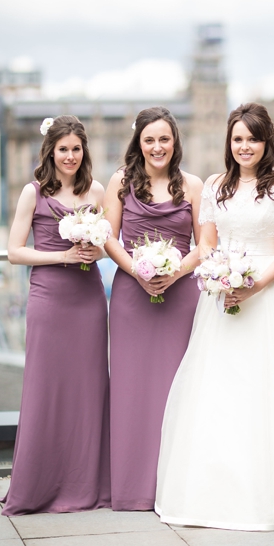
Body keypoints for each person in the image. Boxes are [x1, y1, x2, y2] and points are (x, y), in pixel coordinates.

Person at [155, 103, 274, 530]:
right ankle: (214, 491)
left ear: (266, 142)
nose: (244, 146)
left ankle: (271, 493)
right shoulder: (215, 186)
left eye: (252, 138)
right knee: (220, 390)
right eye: (238, 139)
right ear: (228, 143)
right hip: (223, 297)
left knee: (267, 390)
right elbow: (207, 243)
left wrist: (255, 284)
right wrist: (220, 277)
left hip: (270, 298)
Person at [1, 115, 110, 515]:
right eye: (63, 149)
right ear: (50, 151)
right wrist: (61, 256)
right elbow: (14, 251)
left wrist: (93, 249)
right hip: (49, 299)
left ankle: (87, 482)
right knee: (46, 389)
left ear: (84, 152)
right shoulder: (33, 193)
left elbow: (106, 245)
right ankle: (38, 485)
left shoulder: (97, 191)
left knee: (89, 387)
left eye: (76, 149)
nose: (70, 156)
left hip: (89, 298)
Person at [105, 106, 202, 511]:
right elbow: (108, 238)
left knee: (178, 389)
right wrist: (137, 271)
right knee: (132, 390)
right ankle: (131, 488)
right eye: (149, 140)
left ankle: (176, 487)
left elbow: (206, 246)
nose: (157, 146)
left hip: (180, 298)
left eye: (164, 139)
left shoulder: (193, 185)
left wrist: (175, 272)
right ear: (138, 144)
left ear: (175, 142)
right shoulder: (120, 182)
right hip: (131, 297)